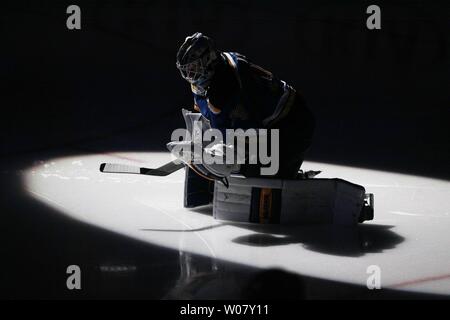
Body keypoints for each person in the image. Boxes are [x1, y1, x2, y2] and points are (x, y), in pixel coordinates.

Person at [176, 32, 315, 179]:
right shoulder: (212, 74)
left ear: (209, 59)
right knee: (246, 162)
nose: (190, 75)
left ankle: (289, 174)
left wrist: (226, 154)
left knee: (259, 171)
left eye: (194, 68)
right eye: (187, 71)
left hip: (293, 122)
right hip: (267, 122)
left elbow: (247, 129)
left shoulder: (225, 85)